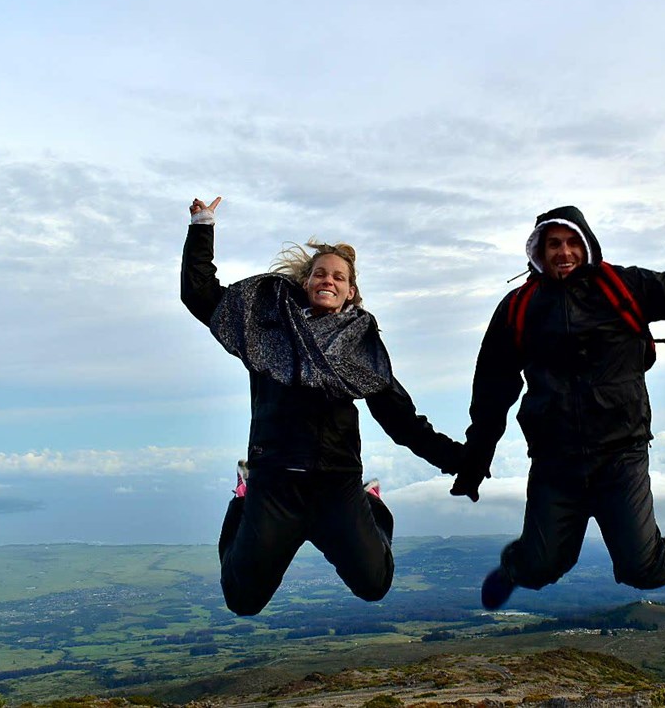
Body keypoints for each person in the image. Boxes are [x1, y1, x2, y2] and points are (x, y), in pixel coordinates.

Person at [450, 205, 665, 610]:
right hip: (555, 462)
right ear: (538, 251)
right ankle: (516, 570)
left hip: (620, 455)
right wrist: (474, 463)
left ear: (587, 244)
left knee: (643, 567)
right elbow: (491, 391)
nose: (564, 252)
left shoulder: (623, 287)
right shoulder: (519, 307)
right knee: (539, 567)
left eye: (572, 242)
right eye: (554, 244)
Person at [181, 196, 464, 615]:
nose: (327, 280)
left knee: (374, 584)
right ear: (307, 281)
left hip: (337, 485)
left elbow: (402, 421)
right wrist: (202, 226)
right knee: (242, 600)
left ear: (351, 292)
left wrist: (460, 459)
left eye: (338, 276)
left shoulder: (361, 352)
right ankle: (243, 498)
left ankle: (374, 504)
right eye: (319, 273)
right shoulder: (264, 332)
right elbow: (199, 294)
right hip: (275, 484)